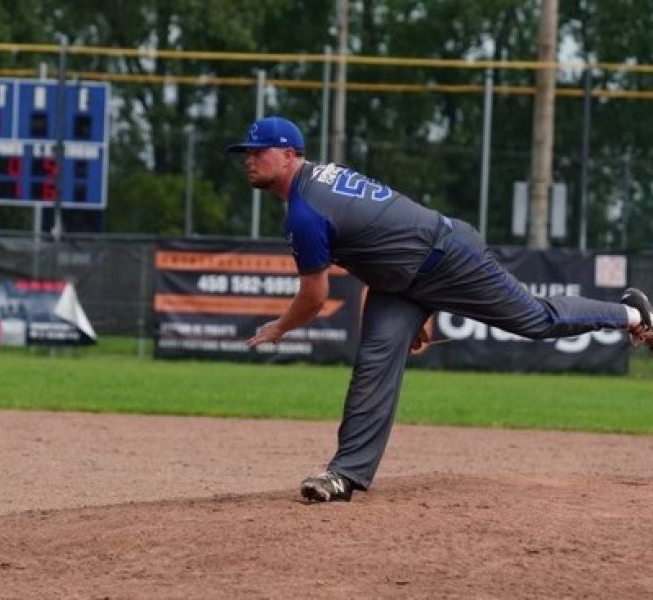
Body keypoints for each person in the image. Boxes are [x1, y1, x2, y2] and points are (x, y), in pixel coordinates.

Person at [226, 115, 653, 503]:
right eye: (245, 153)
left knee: (536, 320)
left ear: (288, 154)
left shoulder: (304, 210)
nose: (249, 159)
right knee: (374, 364)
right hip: (402, 281)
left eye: (257, 151)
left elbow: (314, 298)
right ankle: (344, 474)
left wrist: (279, 328)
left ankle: (632, 313)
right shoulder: (320, 183)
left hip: (447, 257)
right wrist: (416, 309)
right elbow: (373, 240)